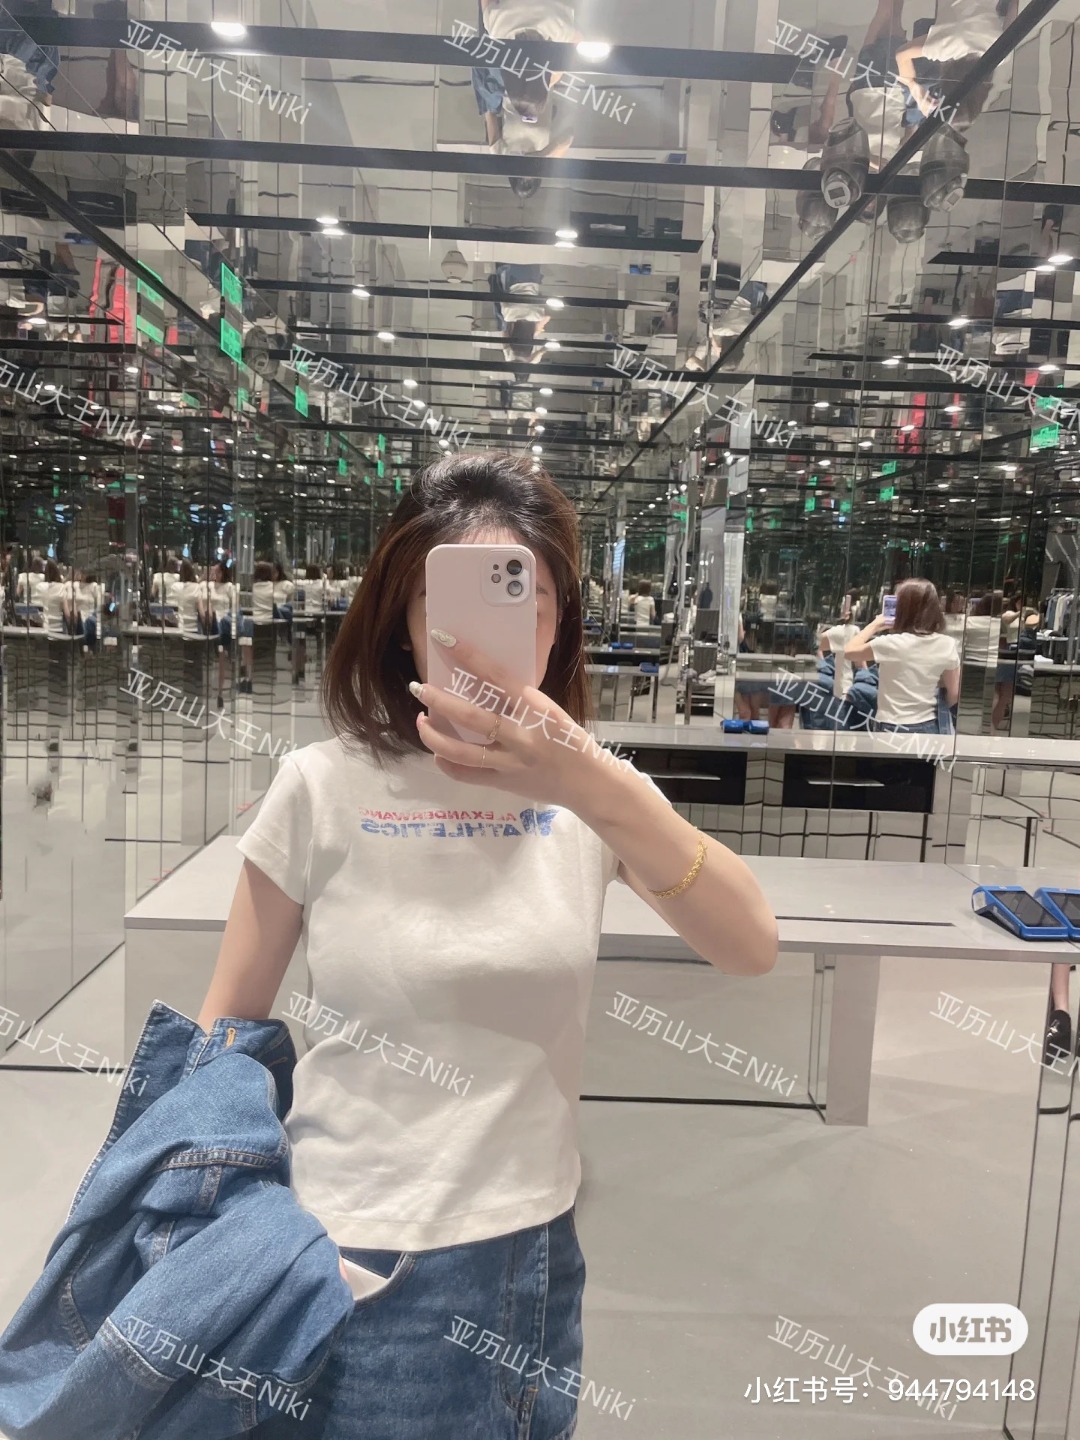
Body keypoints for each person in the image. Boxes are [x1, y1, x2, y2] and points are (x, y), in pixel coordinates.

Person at [195, 452, 778, 1439]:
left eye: (526, 602)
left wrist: (590, 779)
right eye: (447, 604)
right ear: (403, 618)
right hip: (355, 1253)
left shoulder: (592, 796)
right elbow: (227, 1026)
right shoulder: (321, 785)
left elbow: (751, 944)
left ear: (560, 626)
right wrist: (227, 1225)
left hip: (535, 1250)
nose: (484, 640)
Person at [844, 578, 960, 733]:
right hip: (927, 724)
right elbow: (953, 693)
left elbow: (849, 651)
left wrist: (874, 625)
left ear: (903, 609)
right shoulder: (947, 644)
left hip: (890, 723)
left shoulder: (891, 643)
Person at [211, 560, 253, 699]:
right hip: (212, 622)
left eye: (217, 572)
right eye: (213, 572)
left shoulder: (229, 587)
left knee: (223, 657)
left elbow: (235, 606)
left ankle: (222, 690)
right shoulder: (208, 586)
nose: (215, 574)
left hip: (224, 624)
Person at [174, 560, 214, 638]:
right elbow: (202, 614)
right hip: (194, 628)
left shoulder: (176, 586)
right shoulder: (196, 587)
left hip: (180, 627)